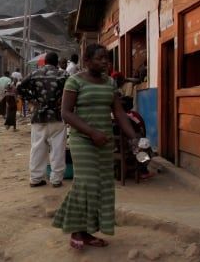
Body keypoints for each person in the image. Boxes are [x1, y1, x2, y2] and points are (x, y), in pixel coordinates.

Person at [53, 44, 138, 250]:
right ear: (87, 60)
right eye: (100, 58)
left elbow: (119, 113)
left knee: (101, 187)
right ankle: (76, 230)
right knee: (86, 183)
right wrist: (91, 132)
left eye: (106, 58)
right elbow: (66, 112)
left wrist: (133, 137)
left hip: (104, 141)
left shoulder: (109, 83)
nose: (105, 62)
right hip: (83, 140)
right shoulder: (74, 81)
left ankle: (87, 232)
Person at [17, 52, 68, 187]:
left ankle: (35, 179)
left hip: (38, 116)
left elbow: (19, 88)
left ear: (44, 62)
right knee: (58, 148)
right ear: (57, 63)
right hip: (57, 116)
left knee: (37, 148)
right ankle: (56, 180)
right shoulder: (63, 75)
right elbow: (73, 91)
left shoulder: (35, 74)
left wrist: (32, 100)